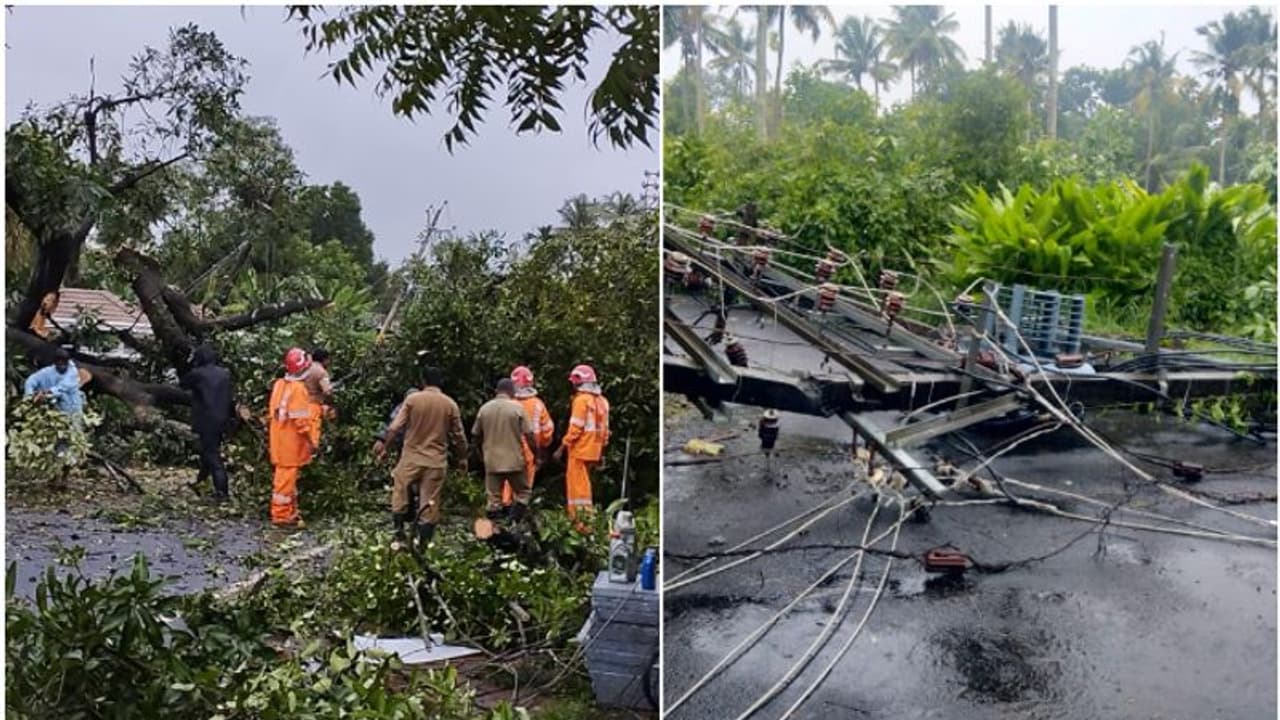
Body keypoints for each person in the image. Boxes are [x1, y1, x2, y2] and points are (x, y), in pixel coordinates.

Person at [375, 366, 468, 545]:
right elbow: (459, 436)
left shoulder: (413, 400)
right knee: (430, 502)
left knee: (400, 492)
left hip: (411, 457)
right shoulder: (450, 404)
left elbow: (394, 427)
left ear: (423, 381)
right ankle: (423, 544)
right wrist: (462, 458)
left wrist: (386, 447)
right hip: (435, 460)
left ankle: (399, 534)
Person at [472, 378, 537, 523]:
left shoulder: (485, 409)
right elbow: (530, 435)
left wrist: (479, 453)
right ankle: (513, 522)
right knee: (523, 492)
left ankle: (496, 528)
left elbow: (475, 435)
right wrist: (536, 454)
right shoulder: (517, 408)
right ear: (512, 391)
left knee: (493, 498)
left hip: (492, 461)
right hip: (514, 461)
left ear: (497, 391)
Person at [554, 364, 610, 527]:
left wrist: (561, 448)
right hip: (594, 451)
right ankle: (586, 521)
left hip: (580, 450)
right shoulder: (603, 402)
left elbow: (576, 428)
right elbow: (605, 431)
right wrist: (602, 452)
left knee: (577, 490)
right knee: (585, 486)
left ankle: (581, 524)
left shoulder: (581, 400)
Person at [267, 348, 316, 528]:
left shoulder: (279, 384)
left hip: (278, 441)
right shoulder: (298, 389)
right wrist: (311, 441)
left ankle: (289, 512)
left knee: (286, 481)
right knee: (285, 483)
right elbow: (301, 422)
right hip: (291, 444)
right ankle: (281, 516)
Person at [179, 344, 234, 500]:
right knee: (207, 453)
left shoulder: (198, 374)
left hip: (206, 419)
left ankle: (222, 492)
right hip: (222, 419)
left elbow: (183, 384)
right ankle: (201, 482)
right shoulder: (224, 374)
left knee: (212, 455)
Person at [23, 347, 86, 483]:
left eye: (64, 363)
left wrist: (46, 394)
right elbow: (31, 380)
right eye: (59, 363)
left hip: (72, 412)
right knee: (55, 444)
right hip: (55, 414)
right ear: (55, 362)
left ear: (68, 362)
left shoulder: (72, 372)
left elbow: (62, 387)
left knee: (71, 443)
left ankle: (65, 477)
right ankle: (54, 476)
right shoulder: (47, 372)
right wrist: (30, 395)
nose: (61, 366)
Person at [508, 366, 554, 508]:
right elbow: (547, 430)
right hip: (530, 451)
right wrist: (544, 445)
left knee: (507, 482)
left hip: (508, 449)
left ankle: (504, 511)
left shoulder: (507, 403)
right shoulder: (538, 405)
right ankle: (518, 513)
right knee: (524, 487)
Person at [302, 346, 335, 449]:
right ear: (325, 360)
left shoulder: (305, 369)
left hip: (299, 405)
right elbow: (327, 391)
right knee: (312, 439)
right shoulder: (321, 372)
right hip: (313, 407)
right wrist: (331, 404)